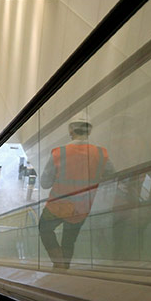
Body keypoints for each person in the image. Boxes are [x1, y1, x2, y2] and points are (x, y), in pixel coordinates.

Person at [39, 112, 115, 269]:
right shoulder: (101, 154)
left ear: (71, 131)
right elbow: (111, 175)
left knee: (44, 228)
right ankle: (64, 267)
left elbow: (45, 183)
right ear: (89, 131)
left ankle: (58, 262)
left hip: (58, 206)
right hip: (83, 207)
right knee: (69, 239)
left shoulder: (59, 153)